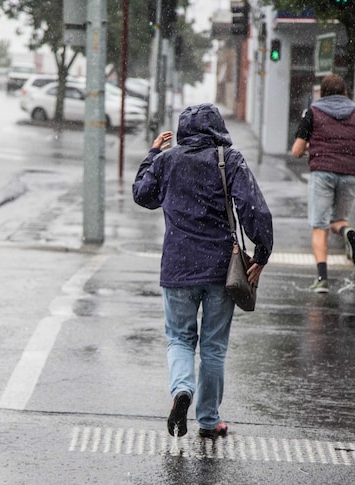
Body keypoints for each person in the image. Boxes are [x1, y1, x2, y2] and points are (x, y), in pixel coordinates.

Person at [132, 103, 274, 439]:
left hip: (178, 267)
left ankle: (181, 391)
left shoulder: (168, 161)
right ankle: (209, 420)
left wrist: (153, 153)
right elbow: (253, 209)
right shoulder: (229, 159)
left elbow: (143, 195)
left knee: (180, 339)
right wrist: (262, 253)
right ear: (218, 128)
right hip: (220, 270)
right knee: (213, 347)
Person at [291, 73, 355, 294]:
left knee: (319, 226)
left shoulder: (314, 112)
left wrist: (313, 150)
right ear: (345, 93)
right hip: (351, 173)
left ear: (321, 93)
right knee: (337, 221)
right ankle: (347, 230)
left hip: (323, 172)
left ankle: (322, 279)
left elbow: (296, 151)